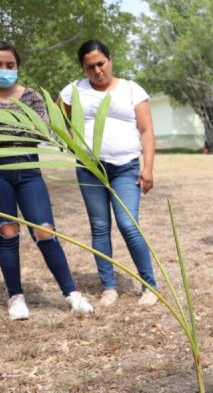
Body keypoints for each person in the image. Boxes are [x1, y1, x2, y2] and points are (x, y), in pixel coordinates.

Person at [0, 41, 94, 321]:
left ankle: (71, 294)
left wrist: (1, 125)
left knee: (45, 231)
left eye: (10, 65)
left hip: (29, 173)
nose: (4, 69)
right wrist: (16, 126)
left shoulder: (32, 96)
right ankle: (16, 297)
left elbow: (39, 131)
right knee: (8, 233)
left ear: (17, 67)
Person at [60, 40, 158, 307]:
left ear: (110, 60)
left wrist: (147, 167)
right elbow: (58, 121)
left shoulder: (131, 89)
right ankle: (109, 288)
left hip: (125, 167)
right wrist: (73, 145)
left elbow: (147, 130)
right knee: (100, 227)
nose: (97, 70)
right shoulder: (73, 91)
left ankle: (149, 286)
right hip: (90, 168)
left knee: (129, 225)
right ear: (83, 67)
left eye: (101, 63)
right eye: (90, 66)